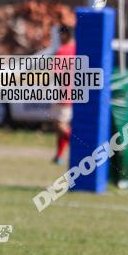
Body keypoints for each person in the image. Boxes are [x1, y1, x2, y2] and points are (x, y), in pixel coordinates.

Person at [51, 24, 76, 165]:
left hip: (64, 93)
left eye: (60, 35)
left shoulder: (63, 51)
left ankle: (81, 147)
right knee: (62, 125)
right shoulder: (79, 50)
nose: (59, 38)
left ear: (65, 35)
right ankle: (59, 156)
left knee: (60, 125)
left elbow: (56, 74)